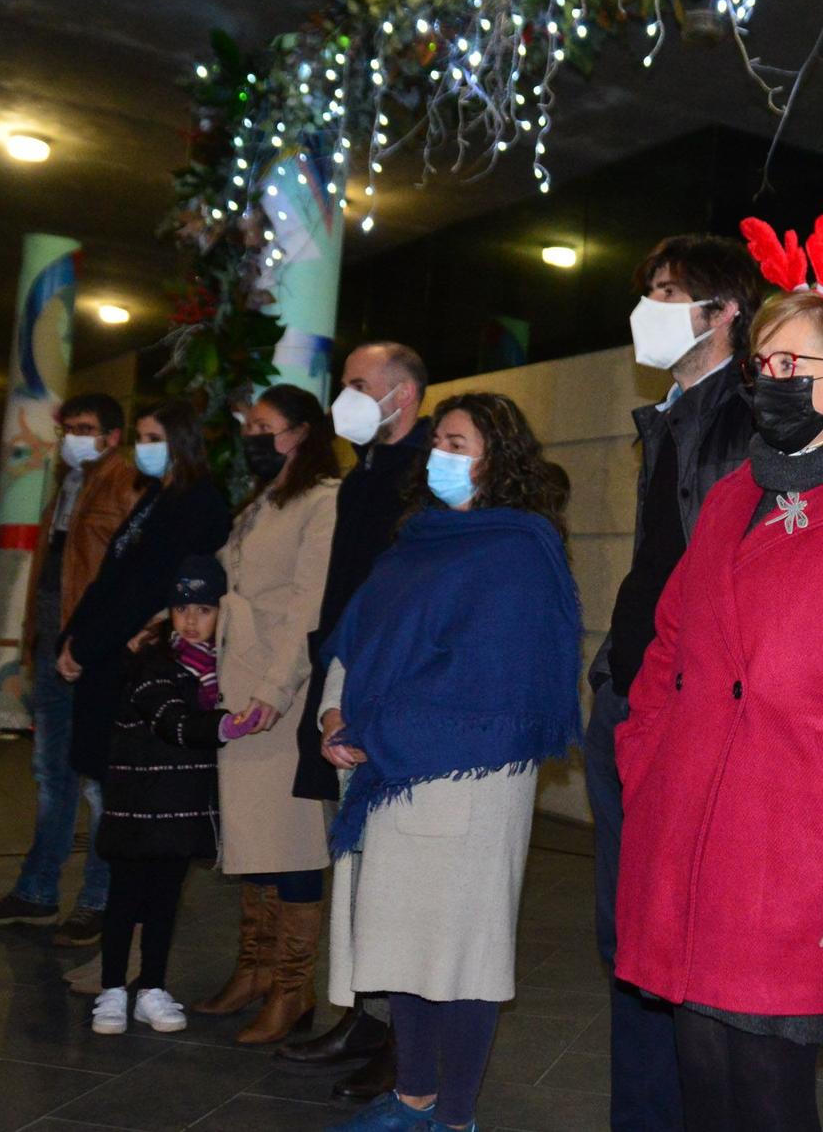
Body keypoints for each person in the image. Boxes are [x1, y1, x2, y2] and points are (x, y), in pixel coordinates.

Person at [614, 201, 823, 1132]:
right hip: (691, 834)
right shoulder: (734, 496)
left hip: (797, 853)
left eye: (793, 365)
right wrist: (647, 764)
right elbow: (669, 646)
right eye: (762, 362)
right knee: (703, 1080)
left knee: (766, 1094)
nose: (769, 380)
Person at [319, 390, 582, 1132]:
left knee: (461, 954)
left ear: (499, 459)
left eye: (459, 443)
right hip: (391, 769)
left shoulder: (519, 548)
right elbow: (353, 639)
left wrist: (371, 729)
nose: (441, 454)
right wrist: (334, 713)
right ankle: (412, 1098)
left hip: (470, 774)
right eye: (439, 440)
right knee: (405, 946)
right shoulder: (416, 540)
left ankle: (454, 1115)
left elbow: (489, 677)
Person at [583, 234, 763, 1131]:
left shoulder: (743, 416)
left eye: (667, 290)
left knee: (672, 936)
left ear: (723, 311)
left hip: (680, 708)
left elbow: (721, 581)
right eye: (649, 287)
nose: (648, 306)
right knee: (626, 938)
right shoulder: (673, 412)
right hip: (628, 694)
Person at [277, 342, 433, 1094]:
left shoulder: (429, 471)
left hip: (392, 689)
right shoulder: (365, 473)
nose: (345, 399)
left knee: (398, 877)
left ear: (402, 395)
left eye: (358, 386)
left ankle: (403, 1038)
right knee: (358, 868)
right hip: (347, 678)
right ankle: (365, 1015)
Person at [192, 384, 341, 1044]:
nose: (251, 435)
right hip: (239, 682)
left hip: (282, 691)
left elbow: (309, 607)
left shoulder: (323, 500)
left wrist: (275, 691)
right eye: (247, 423)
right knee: (252, 837)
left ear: (301, 432)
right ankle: (254, 968)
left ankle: (292, 988)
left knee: (291, 839)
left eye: (265, 425)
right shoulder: (261, 504)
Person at [0, 392, 141, 947]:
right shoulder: (67, 483)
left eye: (86, 428)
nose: (74, 437)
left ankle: (98, 900)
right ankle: (38, 890)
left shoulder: (126, 483)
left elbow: (123, 575)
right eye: (69, 427)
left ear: (112, 437)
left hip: (92, 652)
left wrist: (97, 642)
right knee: (52, 777)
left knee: (97, 784)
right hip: (53, 647)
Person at [90, 555, 267, 1036]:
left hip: (179, 810)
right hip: (138, 808)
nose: (191, 619)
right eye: (182, 607)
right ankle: (111, 989)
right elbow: (175, 722)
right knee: (125, 900)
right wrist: (230, 725)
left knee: (165, 901)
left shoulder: (218, 673)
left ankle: (150, 987)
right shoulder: (153, 663)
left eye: (204, 609)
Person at [60, 399, 232, 790]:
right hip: (107, 649)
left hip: (137, 657)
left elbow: (146, 590)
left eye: (154, 438)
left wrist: (86, 647)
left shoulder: (197, 502)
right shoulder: (155, 497)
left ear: (182, 442)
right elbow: (110, 578)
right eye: (140, 438)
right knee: (100, 786)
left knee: (121, 790)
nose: (143, 447)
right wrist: (73, 639)